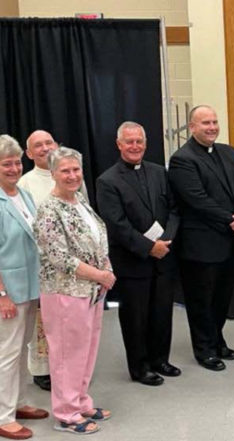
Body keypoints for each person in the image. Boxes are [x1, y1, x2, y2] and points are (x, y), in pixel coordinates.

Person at [34, 147, 114, 435]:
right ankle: (66, 414)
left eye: (76, 170)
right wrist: (101, 275)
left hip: (90, 290)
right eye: (65, 171)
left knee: (86, 350)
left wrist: (106, 271)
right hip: (64, 292)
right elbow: (59, 257)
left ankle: (80, 401)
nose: (72, 175)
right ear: (53, 173)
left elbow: (97, 239)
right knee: (67, 355)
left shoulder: (79, 200)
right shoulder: (49, 209)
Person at [96, 122, 181, 386]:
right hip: (133, 261)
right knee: (135, 317)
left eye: (139, 141)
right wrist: (148, 247)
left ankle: (160, 360)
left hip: (164, 256)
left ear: (146, 143)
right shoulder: (107, 181)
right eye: (129, 142)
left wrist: (166, 239)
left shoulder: (159, 172)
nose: (135, 146)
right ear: (119, 144)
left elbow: (175, 209)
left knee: (162, 312)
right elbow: (116, 224)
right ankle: (140, 367)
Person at [168, 105, 234, 371]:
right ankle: (204, 349)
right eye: (205, 123)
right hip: (201, 243)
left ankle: (217, 339)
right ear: (192, 127)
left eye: (215, 122)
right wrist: (232, 219)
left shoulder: (229, 152)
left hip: (231, 240)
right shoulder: (183, 159)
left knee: (222, 297)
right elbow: (197, 200)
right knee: (201, 299)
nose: (212, 127)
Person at [18, 130, 87, 392]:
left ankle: (71, 367)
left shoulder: (72, 175)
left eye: (49, 143)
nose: (45, 148)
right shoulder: (25, 183)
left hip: (77, 264)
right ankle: (43, 370)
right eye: (38, 145)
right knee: (43, 322)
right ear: (28, 153)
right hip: (45, 263)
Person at [0, 135, 48, 440]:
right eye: (6, 163)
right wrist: (2, 294)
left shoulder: (24, 195)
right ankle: (3, 416)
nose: (14, 168)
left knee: (22, 349)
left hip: (31, 285)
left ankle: (18, 403)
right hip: (10, 290)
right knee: (7, 353)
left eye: (17, 162)